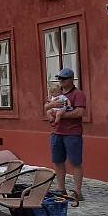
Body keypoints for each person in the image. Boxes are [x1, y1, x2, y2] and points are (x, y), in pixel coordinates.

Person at [44, 68, 86, 201]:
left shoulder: (78, 94)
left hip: (72, 133)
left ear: (71, 79)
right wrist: (51, 108)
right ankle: (61, 188)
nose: (60, 81)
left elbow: (79, 112)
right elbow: (46, 107)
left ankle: (77, 191)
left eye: (63, 78)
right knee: (58, 161)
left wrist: (61, 115)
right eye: (59, 78)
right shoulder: (57, 92)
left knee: (75, 162)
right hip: (56, 132)